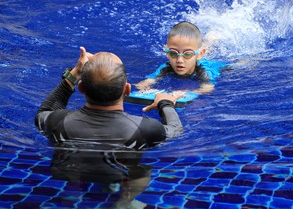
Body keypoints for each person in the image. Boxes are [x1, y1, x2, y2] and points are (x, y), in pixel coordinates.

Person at [35, 46, 183, 149]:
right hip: (121, 183)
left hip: (69, 180)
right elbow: (176, 130)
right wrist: (165, 103)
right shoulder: (146, 129)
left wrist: (74, 74)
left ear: (81, 88)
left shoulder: (58, 121)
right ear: (127, 89)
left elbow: (44, 112)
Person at [135, 21, 227, 95]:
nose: (179, 60)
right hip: (196, 53)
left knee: (235, 65)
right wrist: (149, 90)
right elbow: (144, 83)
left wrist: (186, 94)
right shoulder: (166, 67)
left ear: (199, 54)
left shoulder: (203, 70)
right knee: (193, 48)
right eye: (173, 53)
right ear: (166, 52)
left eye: (187, 55)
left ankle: (209, 40)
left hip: (210, 63)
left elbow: (208, 88)